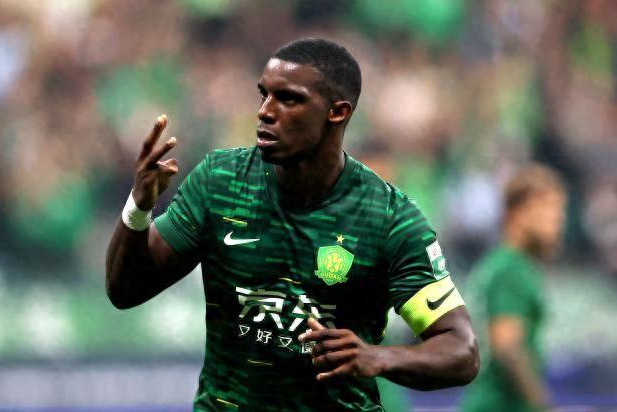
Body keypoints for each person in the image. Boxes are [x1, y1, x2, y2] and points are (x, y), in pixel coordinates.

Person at [106, 38, 479, 411]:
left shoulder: (389, 218)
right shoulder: (220, 182)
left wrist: (378, 357)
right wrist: (139, 205)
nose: (265, 112)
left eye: (288, 99)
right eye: (264, 95)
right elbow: (125, 290)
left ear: (337, 112)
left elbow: (461, 350)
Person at [462, 165, 567, 412]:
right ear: (517, 214)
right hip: (501, 405)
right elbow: (507, 346)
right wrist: (540, 403)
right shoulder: (511, 269)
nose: (557, 221)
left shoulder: (499, 264)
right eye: (548, 209)